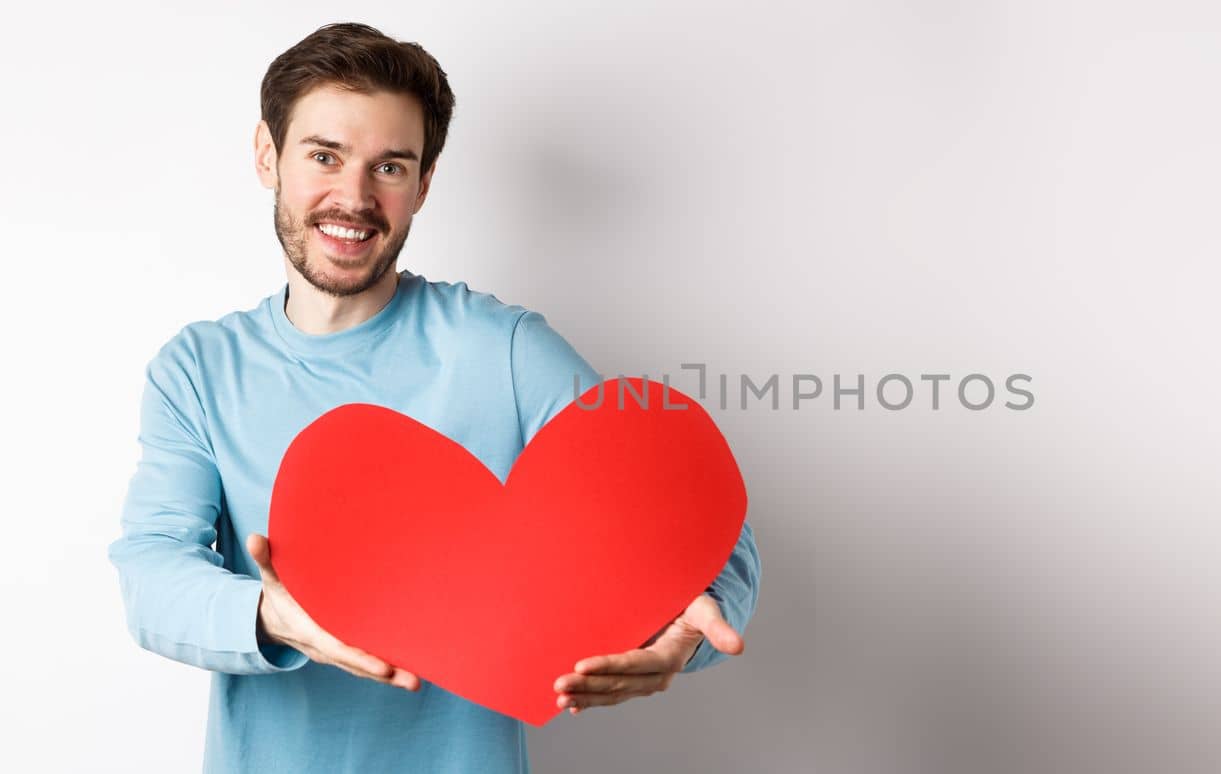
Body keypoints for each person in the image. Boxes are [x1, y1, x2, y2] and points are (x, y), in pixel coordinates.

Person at [105, 22, 761, 774]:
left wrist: (684, 630)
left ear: (423, 183)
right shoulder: (198, 369)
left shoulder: (503, 350)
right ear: (268, 155)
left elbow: (698, 526)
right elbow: (154, 569)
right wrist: (268, 617)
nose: (353, 198)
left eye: (389, 166)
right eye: (325, 156)